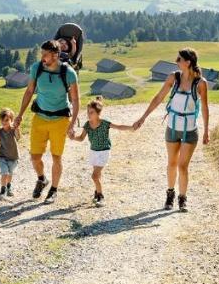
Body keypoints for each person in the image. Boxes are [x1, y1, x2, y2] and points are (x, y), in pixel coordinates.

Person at [135, 47, 210, 212]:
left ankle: (182, 199)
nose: (176, 62)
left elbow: (204, 107)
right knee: (172, 163)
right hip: (173, 127)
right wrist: (143, 117)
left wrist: (206, 131)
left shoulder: (201, 83)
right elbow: (158, 98)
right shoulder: (173, 78)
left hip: (190, 129)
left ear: (188, 62)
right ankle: (170, 194)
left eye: (179, 59)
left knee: (183, 166)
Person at [13, 39, 80, 202]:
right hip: (40, 118)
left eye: (45, 54)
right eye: (41, 54)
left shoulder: (69, 73)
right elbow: (29, 91)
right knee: (35, 157)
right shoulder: (37, 68)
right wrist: (20, 114)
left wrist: (72, 124)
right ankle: (42, 179)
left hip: (60, 120)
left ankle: (53, 190)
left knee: (56, 157)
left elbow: (76, 100)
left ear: (56, 55)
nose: (42, 57)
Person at [69, 96, 137, 206]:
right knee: (98, 175)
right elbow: (81, 138)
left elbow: (118, 127)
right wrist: (73, 137)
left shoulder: (104, 123)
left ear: (98, 113)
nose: (89, 114)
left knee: (94, 176)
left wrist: (131, 128)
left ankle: (101, 197)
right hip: (93, 152)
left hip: (104, 152)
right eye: (88, 112)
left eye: (91, 112)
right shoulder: (87, 125)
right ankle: (97, 192)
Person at [0, 107, 20, 197]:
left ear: (11, 120)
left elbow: (18, 137)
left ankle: (8, 187)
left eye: (7, 120)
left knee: (10, 174)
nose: (4, 123)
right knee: (5, 173)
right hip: (2, 157)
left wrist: (17, 128)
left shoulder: (13, 129)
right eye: (2, 121)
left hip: (14, 157)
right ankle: (2, 191)